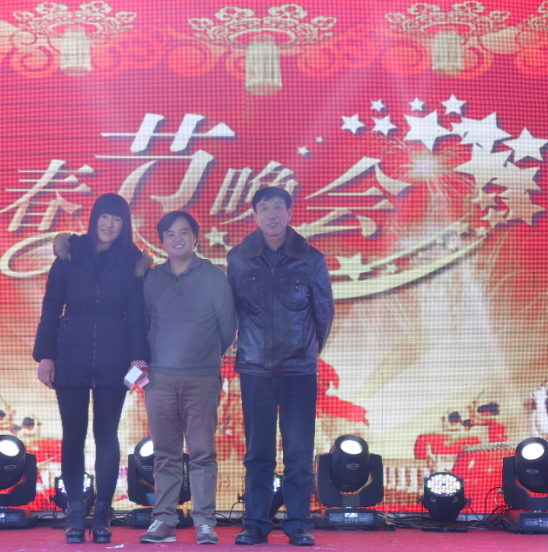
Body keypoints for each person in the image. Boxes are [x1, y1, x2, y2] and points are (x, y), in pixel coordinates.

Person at [33, 193, 151, 544]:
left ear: (124, 224)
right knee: (73, 434)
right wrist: (46, 355)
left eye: (117, 219)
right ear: (94, 218)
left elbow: (137, 317)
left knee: (106, 436)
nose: (109, 224)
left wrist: (138, 359)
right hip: (71, 352)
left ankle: (102, 513)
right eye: (104, 216)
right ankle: (74, 513)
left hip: (115, 354)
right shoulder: (70, 253)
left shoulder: (133, 261)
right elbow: (51, 305)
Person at [226, 187, 334, 546]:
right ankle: (255, 523)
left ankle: (299, 523)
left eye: (278, 208)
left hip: (299, 370)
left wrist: (306, 351)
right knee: (258, 453)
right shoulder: (238, 259)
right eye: (264, 208)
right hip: (254, 368)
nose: (271, 214)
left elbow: (323, 314)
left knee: (298, 453)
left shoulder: (312, 259)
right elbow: (230, 311)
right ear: (254, 215)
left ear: (289, 213)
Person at [138, 211, 236, 545]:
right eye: (170, 234)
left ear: (195, 237)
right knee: (164, 454)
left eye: (183, 232)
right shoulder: (152, 279)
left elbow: (227, 328)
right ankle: (163, 521)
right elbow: (143, 323)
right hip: (159, 380)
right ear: (162, 241)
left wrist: (203, 356)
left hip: (202, 379)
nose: (177, 239)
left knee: (202, 454)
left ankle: (205, 522)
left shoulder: (213, 276)